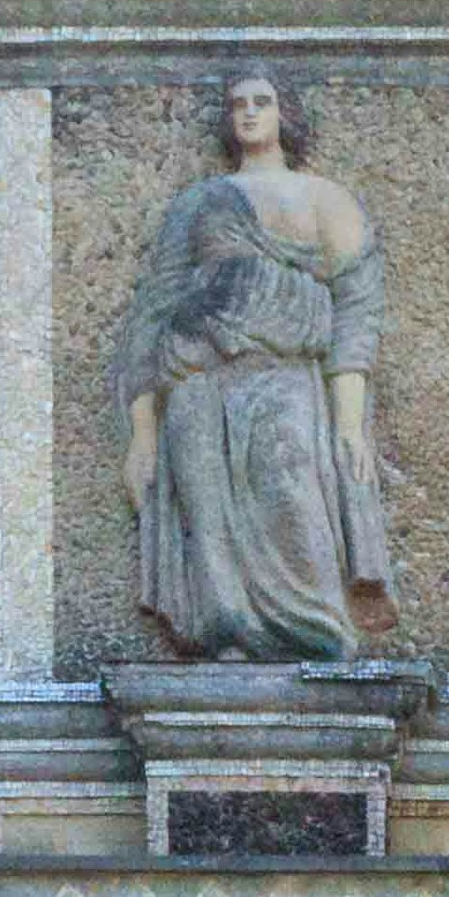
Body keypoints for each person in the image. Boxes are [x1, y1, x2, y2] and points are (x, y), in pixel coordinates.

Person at [121, 65, 396, 661]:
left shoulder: (324, 199)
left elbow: (356, 314)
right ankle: (229, 631)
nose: (248, 112)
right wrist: (141, 434)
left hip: (285, 376)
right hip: (197, 378)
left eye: (262, 101)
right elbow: (154, 309)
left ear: (284, 113)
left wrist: (349, 423)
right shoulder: (198, 204)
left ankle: (316, 628)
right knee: (209, 519)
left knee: (289, 486)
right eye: (238, 104)